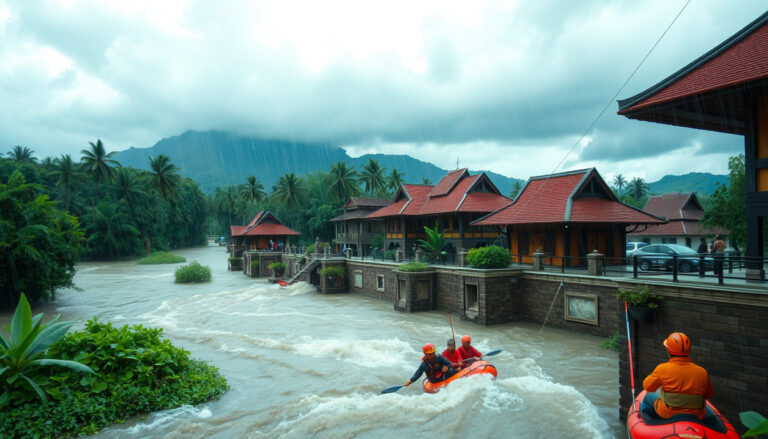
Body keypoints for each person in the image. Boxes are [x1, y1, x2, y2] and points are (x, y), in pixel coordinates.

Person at [641, 332, 713, 420]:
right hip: (697, 415)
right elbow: (709, 394)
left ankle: (648, 423)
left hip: (668, 414)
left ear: (668, 351)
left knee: (648, 397)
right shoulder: (702, 372)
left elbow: (647, 387)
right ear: (689, 351)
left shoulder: (662, 369)